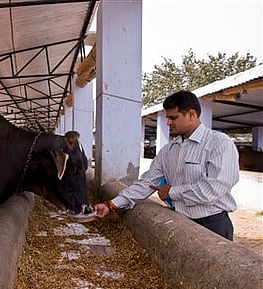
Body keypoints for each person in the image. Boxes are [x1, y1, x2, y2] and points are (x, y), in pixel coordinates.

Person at [94, 90, 239, 240]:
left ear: (191, 114)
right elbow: (146, 183)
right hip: (181, 221)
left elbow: (212, 190)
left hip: (212, 224)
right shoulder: (169, 150)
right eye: (168, 118)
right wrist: (111, 205)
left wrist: (172, 192)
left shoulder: (219, 143)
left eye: (173, 117)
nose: (168, 122)